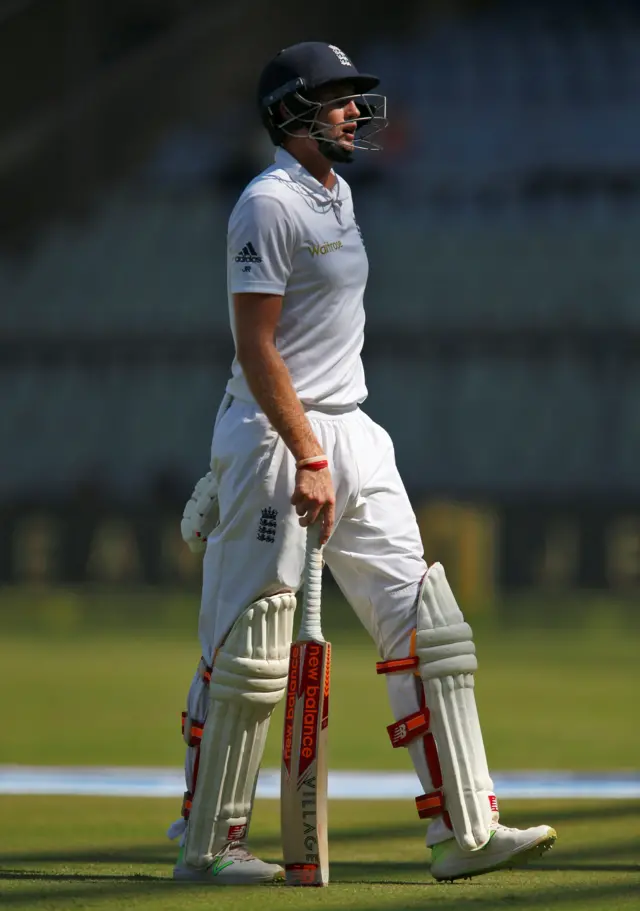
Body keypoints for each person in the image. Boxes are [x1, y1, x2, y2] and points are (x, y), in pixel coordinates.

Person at [170, 41, 557, 885]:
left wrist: (332, 444)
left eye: (353, 96)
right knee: (251, 649)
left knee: (429, 621)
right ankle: (209, 844)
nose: (353, 110)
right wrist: (304, 451)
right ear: (290, 116)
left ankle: (466, 828)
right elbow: (255, 344)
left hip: (353, 429)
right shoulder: (267, 206)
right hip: (281, 438)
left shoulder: (337, 195)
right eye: (335, 97)